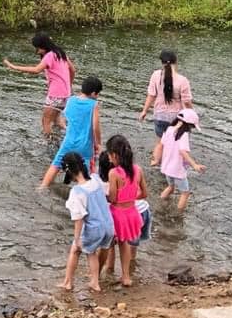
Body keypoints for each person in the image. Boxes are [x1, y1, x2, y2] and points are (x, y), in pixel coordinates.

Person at [57, 151, 114, 293]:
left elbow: (79, 219)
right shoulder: (95, 180)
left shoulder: (77, 192)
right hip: (108, 225)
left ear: (68, 171)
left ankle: (68, 282)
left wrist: (77, 239)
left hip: (94, 228)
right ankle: (95, 281)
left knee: (75, 251)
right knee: (92, 252)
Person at [98, 135, 148, 287]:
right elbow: (144, 194)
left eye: (109, 154)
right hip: (131, 212)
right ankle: (126, 277)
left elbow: (112, 198)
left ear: (114, 155)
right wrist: (130, 198)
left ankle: (101, 272)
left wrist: (101, 197)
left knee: (108, 244)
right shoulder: (137, 169)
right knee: (124, 244)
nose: (108, 158)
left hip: (117, 214)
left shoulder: (114, 173)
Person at [3, 32, 75, 135]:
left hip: (56, 94)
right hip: (66, 94)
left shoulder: (49, 56)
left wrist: (13, 67)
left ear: (44, 46)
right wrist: (69, 85)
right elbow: (73, 70)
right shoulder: (60, 53)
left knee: (45, 121)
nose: (37, 52)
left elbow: (36, 70)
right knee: (57, 120)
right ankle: (70, 134)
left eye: (38, 48)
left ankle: (49, 144)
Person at [39, 77, 103, 187]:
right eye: (98, 94)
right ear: (93, 93)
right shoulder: (94, 105)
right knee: (86, 171)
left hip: (68, 142)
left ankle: (42, 187)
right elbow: (95, 127)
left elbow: (64, 119)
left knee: (56, 164)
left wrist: (67, 128)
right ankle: (87, 193)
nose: (97, 97)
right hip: (85, 145)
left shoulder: (71, 100)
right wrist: (98, 144)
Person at [151, 108, 205, 212]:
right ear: (188, 125)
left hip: (166, 168)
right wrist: (195, 165)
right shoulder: (183, 135)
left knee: (170, 187)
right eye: (192, 126)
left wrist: (156, 159)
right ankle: (179, 214)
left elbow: (160, 146)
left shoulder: (168, 129)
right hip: (177, 170)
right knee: (185, 193)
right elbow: (183, 152)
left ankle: (159, 202)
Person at [137, 50, 194, 138]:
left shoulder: (155, 75)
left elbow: (151, 95)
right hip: (177, 119)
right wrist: (192, 114)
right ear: (176, 62)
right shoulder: (183, 80)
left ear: (162, 62)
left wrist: (144, 111)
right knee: (176, 145)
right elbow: (186, 102)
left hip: (159, 116)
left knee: (161, 144)